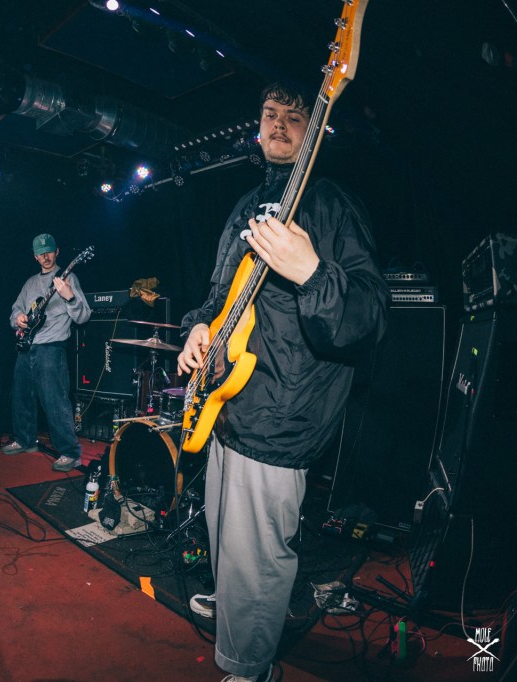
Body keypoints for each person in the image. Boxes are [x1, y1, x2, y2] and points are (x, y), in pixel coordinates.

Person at [175, 82, 389, 682]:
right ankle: (237, 604)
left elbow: (369, 316)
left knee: (258, 551)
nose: (278, 125)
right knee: (226, 533)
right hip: (228, 401)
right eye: (270, 114)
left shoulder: (331, 204)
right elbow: (217, 297)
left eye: (294, 117)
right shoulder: (246, 205)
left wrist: (312, 272)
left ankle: (252, 666)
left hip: (281, 411)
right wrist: (196, 329)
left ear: (316, 130)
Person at [2, 233, 91, 471]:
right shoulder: (30, 283)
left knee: (55, 400)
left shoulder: (68, 278)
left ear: (57, 251)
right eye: (40, 253)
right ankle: (25, 440)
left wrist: (69, 297)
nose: (46, 257)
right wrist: (18, 319)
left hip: (52, 347)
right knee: (22, 397)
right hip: (27, 345)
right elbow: (15, 311)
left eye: (49, 251)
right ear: (35, 256)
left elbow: (83, 316)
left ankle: (70, 452)